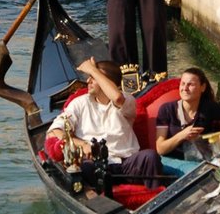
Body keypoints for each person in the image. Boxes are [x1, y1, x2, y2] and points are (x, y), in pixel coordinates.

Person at [45, 57, 163, 186]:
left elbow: (117, 98)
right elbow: (56, 130)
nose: (88, 81)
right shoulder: (79, 103)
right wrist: (83, 145)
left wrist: (92, 69)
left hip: (128, 163)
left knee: (150, 157)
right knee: (83, 169)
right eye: (90, 76)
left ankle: (157, 196)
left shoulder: (127, 101)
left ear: (108, 82)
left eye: (94, 77)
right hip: (95, 164)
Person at [155, 68, 220, 161]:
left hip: (201, 162)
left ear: (202, 87)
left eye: (190, 84)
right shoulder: (166, 109)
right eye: (183, 84)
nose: (185, 88)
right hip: (172, 161)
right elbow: (160, 149)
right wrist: (183, 135)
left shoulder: (209, 107)